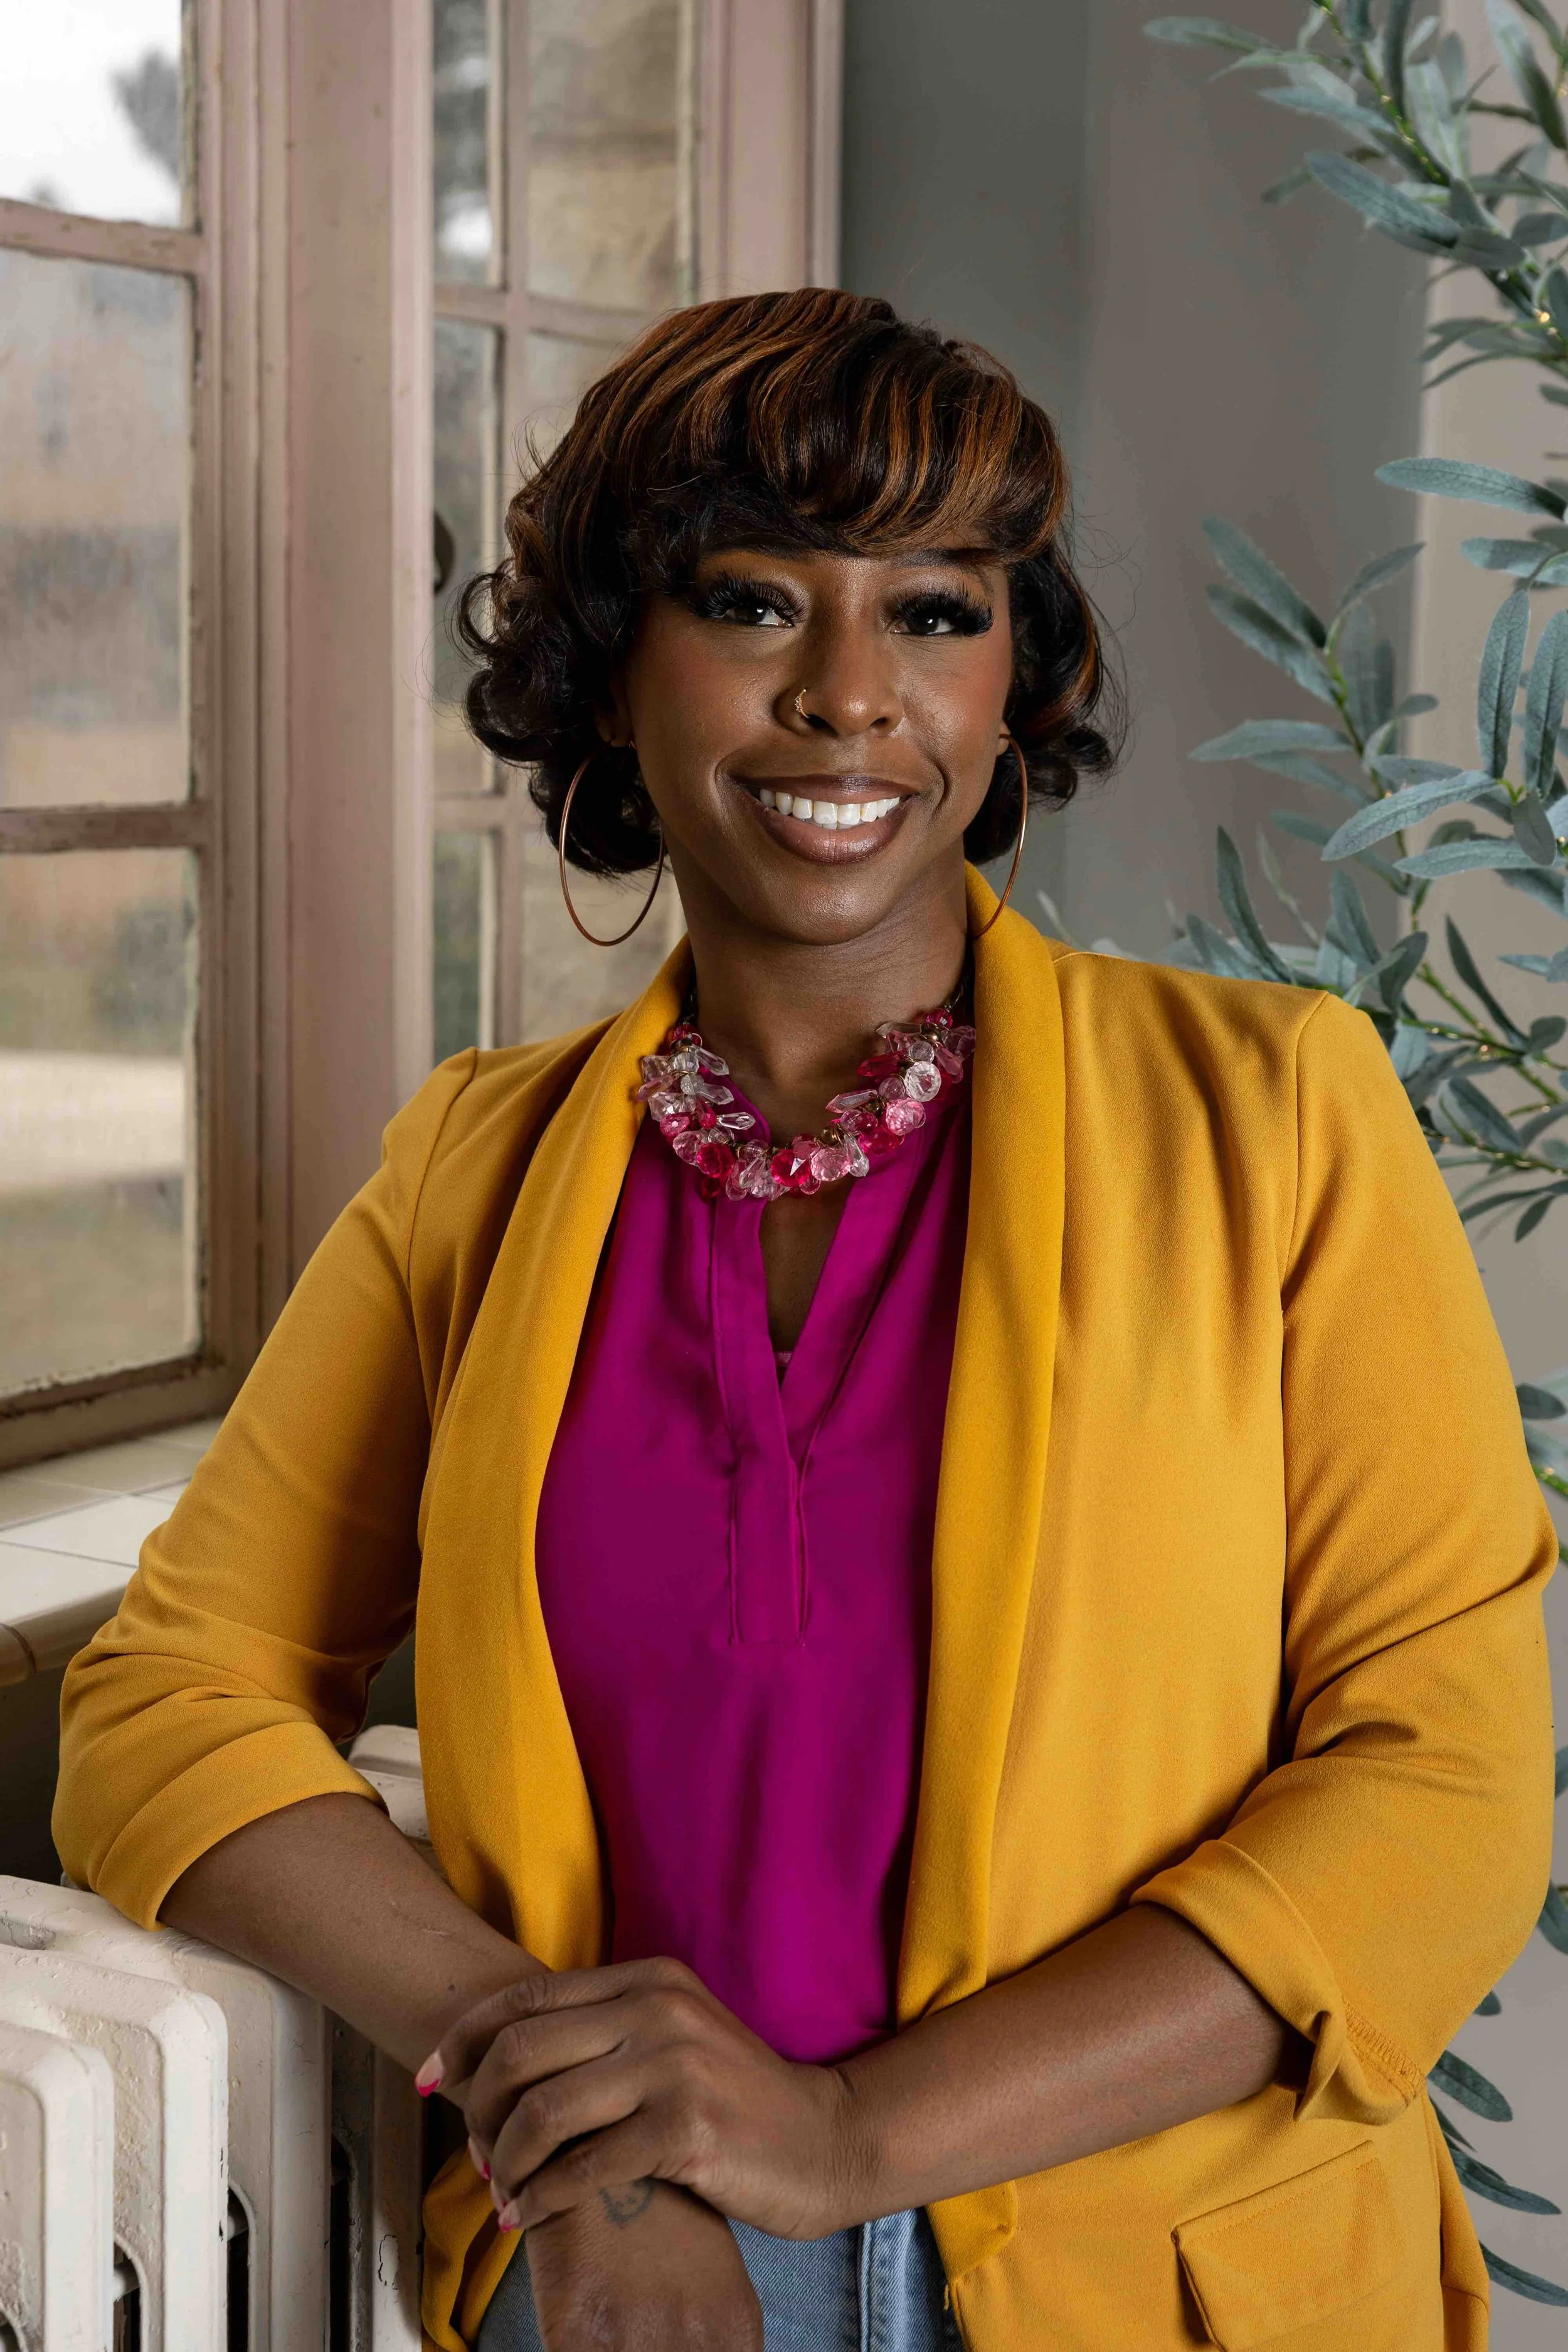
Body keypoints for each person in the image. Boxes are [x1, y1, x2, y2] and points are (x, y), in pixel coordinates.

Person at [55, 289, 1555, 2352]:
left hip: (1164, 2271)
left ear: (1012, 686)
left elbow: (1439, 1792)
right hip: (629, 2267)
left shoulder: (1272, 1115)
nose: (851, 693)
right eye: (753, 601)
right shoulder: (476, 1170)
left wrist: (851, 2133)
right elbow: (164, 1694)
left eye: (935, 610)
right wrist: (569, 2090)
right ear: (611, 669)